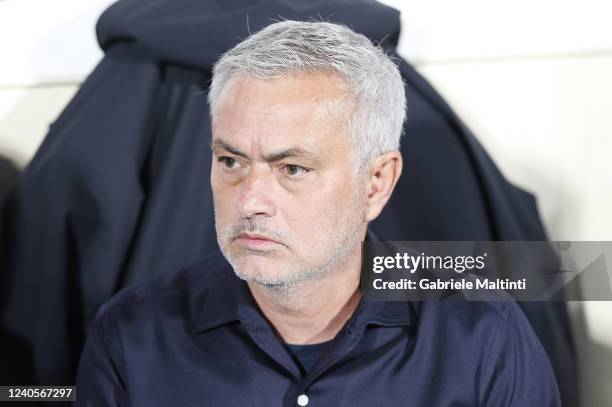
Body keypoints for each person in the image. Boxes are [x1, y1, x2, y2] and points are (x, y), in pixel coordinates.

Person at [74, 20, 561, 406]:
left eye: (293, 168)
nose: (250, 201)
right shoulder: (132, 334)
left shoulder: (481, 332)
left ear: (377, 183)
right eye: (230, 161)